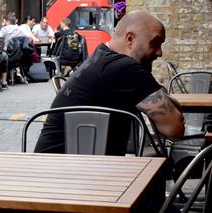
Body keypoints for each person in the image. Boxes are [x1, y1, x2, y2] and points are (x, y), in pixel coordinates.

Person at [35, 11, 185, 155]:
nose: (159, 53)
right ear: (130, 39)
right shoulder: (124, 68)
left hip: (56, 165)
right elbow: (174, 129)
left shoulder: (102, 55)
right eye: (155, 43)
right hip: (68, 173)